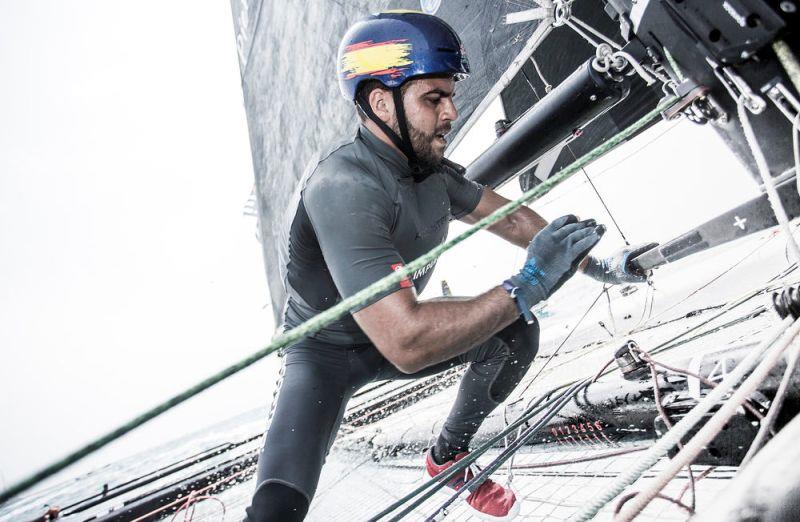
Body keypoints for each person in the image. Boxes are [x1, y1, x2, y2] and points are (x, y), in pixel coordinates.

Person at [245, 11, 654, 522]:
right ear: (380, 101)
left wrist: (598, 266)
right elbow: (408, 344)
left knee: (514, 332)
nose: (451, 113)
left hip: (391, 336)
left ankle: (448, 458)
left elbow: (509, 217)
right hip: (323, 359)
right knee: (275, 511)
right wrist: (529, 282)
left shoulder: (428, 170)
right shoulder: (343, 187)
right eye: (433, 99)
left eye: (451, 96)